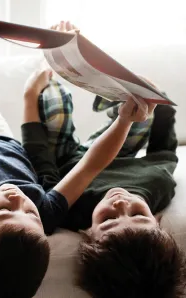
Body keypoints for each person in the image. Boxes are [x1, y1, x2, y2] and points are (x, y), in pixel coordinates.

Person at [0, 7, 154, 298]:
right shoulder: (46, 211)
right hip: (3, 137)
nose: (19, 200)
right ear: (42, 227)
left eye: (4, 211)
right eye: (29, 213)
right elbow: (90, 165)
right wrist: (123, 121)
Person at [34, 20, 186, 298]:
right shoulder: (158, 185)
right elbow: (164, 152)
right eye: (138, 214)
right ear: (157, 218)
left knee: (55, 107)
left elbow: (44, 171)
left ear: (87, 233)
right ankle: (111, 97)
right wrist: (159, 105)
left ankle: (57, 67)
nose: (120, 204)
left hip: (69, 161)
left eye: (107, 219)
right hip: (117, 151)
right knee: (146, 101)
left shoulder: (71, 212)